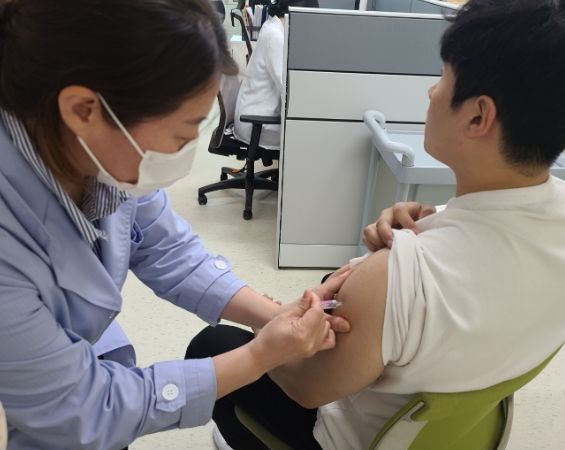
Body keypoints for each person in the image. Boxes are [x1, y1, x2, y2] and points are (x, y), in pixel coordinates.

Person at [186, 0, 565, 448]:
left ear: (478, 116)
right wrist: (429, 226)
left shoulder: (397, 278)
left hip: (355, 438)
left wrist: (266, 331)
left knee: (211, 346)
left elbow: (307, 389)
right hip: (458, 425)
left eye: (443, 78)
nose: (431, 92)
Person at [0, 1, 352, 449]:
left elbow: (169, 251)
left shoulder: (96, 155)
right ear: (84, 110)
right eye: (181, 135)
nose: (184, 153)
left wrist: (272, 314)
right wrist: (260, 356)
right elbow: (83, 407)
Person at [233, 0, 319, 149]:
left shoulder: (272, 26)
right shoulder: (276, 37)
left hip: (256, 116)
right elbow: (288, 90)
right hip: (256, 124)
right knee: (314, 139)